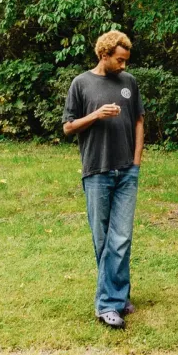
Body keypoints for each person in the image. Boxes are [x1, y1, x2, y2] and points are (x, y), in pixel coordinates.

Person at [63, 30, 145, 329]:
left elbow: (139, 121)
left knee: (121, 237)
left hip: (126, 171)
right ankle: (117, 297)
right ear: (104, 55)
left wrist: (136, 162)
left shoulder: (129, 82)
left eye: (126, 60)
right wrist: (96, 115)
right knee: (103, 239)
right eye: (119, 60)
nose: (124, 65)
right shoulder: (81, 83)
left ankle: (109, 303)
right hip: (96, 170)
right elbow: (68, 127)